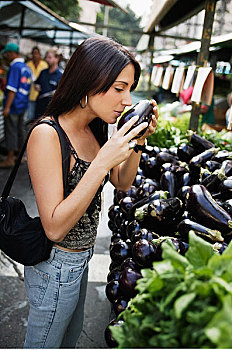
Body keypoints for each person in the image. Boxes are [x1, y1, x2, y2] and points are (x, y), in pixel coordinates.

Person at [23, 36, 158, 349]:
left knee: (68, 342)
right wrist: (102, 162)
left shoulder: (96, 127)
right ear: (90, 80)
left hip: (80, 261)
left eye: (130, 88)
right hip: (55, 266)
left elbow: (122, 183)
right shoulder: (47, 134)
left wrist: (136, 140)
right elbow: (54, 226)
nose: (127, 100)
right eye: (119, 88)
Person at [0, 42, 32, 168]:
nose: (6, 56)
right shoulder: (25, 67)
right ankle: (20, 156)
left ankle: (9, 158)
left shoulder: (15, 67)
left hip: (13, 105)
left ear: (12, 53)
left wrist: (7, 107)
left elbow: (12, 89)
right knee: (19, 130)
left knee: (11, 131)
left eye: (7, 54)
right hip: (22, 104)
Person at [34, 48, 62, 120]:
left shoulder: (61, 75)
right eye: (46, 57)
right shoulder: (43, 72)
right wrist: (36, 86)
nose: (47, 59)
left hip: (51, 109)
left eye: (49, 57)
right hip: (39, 106)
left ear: (57, 59)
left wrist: (57, 93)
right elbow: (36, 83)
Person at [26, 46, 48, 122]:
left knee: (39, 117)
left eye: (37, 53)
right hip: (31, 94)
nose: (35, 55)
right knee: (30, 116)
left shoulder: (44, 65)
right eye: (33, 53)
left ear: (40, 54)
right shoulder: (28, 65)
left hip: (41, 96)